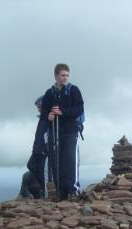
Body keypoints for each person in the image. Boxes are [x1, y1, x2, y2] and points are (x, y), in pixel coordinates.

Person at [40, 63, 84, 201]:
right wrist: (48, 116)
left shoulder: (73, 90)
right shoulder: (49, 93)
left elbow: (79, 109)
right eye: (62, 75)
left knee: (70, 159)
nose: (65, 78)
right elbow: (44, 113)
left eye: (67, 75)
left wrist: (62, 112)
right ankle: (61, 190)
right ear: (56, 75)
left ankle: (72, 190)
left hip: (71, 130)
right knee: (56, 159)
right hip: (55, 130)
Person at [18, 96, 49, 199]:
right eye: (38, 107)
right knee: (30, 169)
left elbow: (47, 137)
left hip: (44, 152)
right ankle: (28, 195)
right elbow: (39, 137)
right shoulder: (42, 119)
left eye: (39, 106)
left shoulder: (49, 120)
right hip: (37, 151)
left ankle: (44, 197)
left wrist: (45, 150)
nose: (38, 109)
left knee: (43, 175)